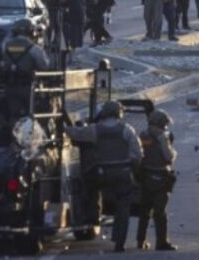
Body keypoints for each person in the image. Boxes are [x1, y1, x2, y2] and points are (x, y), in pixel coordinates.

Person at [74, 101, 142, 252]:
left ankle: (92, 217)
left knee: (90, 189)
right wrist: (134, 171)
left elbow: (76, 134)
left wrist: (66, 127)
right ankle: (119, 242)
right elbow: (137, 154)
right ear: (119, 113)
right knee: (123, 207)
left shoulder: (94, 130)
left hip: (102, 173)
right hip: (122, 173)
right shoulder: (127, 130)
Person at [134, 108, 177, 251]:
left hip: (146, 176)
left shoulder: (142, 135)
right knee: (160, 212)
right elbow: (168, 157)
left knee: (144, 211)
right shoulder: (162, 137)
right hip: (161, 176)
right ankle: (162, 242)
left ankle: (141, 241)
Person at [0, 19, 51, 123]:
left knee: (13, 115)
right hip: (28, 88)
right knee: (30, 115)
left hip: (10, 87)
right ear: (31, 32)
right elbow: (45, 66)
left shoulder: (5, 46)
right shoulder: (34, 48)